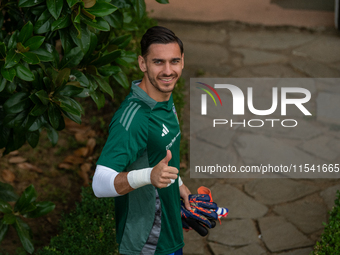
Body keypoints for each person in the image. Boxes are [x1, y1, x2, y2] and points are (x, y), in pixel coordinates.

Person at [92, 26, 191, 255]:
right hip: (148, 243)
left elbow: (159, 155)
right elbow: (99, 183)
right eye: (158, 62)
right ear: (142, 64)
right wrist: (148, 175)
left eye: (174, 61)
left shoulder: (164, 94)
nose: (168, 71)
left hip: (170, 233)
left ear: (182, 61)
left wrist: (179, 186)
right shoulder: (134, 118)